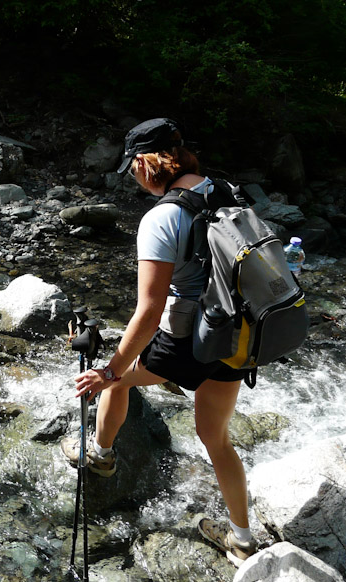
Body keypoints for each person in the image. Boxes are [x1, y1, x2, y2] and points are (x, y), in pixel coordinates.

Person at [60, 118, 258, 566]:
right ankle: (243, 541)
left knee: (117, 381)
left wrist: (109, 370)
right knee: (215, 437)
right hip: (239, 335)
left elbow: (149, 313)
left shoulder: (162, 217)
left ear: (144, 164)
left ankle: (101, 454)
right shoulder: (226, 191)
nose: (133, 176)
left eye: (132, 167)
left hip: (191, 339)